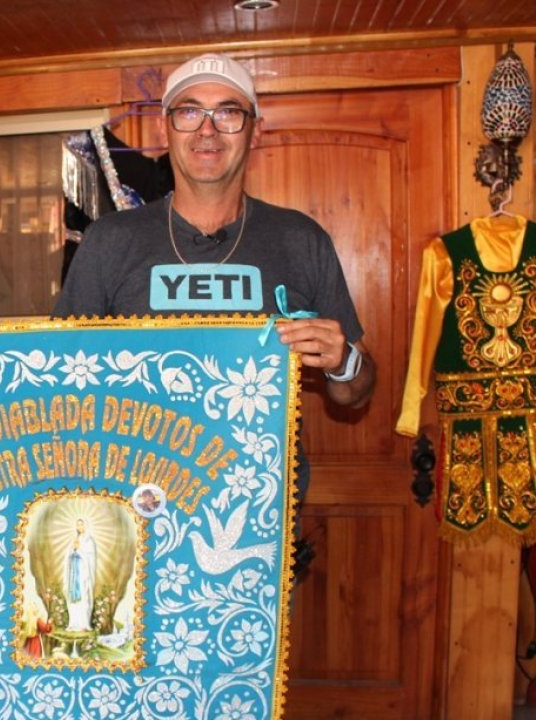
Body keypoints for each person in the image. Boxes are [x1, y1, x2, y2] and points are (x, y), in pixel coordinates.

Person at [54, 52, 377, 494]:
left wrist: (344, 362)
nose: (207, 130)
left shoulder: (301, 239)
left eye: (228, 112)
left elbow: (356, 393)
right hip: (138, 505)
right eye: (189, 112)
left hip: (261, 506)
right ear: (164, 129)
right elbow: (58, 381)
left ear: (255, 131)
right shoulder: (109, 240)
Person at [63, 518, 97, 631]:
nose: (79, 527)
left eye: (81, 525)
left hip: (83, 574)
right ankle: (73, 623)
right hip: (74, 573)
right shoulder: (75, 539)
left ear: (86, 526)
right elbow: (68, 555)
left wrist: (79, 550)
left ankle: (84, 624)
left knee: (83, 596)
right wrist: (73, 551)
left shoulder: (89, 541)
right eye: (78, 525)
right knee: (73, 598)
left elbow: (90, 558)